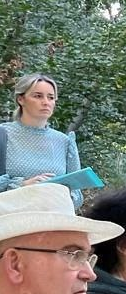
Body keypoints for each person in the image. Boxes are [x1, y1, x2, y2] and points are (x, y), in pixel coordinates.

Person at [0, 73, 85, 208]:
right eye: (38, 96)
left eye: (51, 97)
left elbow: (77, 196)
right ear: (21, 99)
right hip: (12, 222)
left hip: (55, 222)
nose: (46, 102)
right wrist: (22, 185)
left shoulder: (64, 141)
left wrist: (61, 191)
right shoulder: (3, 134)